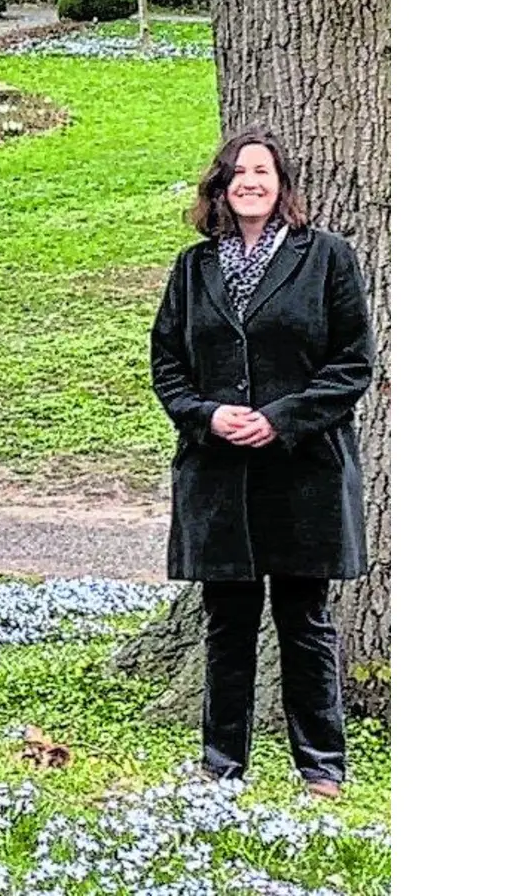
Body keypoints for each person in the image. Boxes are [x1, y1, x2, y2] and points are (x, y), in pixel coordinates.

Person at [149, 128, 375, 799]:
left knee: (305, 623)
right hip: (219, 474)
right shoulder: (193, 269)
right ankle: (221, 766)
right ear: (220, 188)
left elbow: (352, 364)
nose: (249, 183)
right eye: (237, 173)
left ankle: (321, 769)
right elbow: (168, 365)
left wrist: (280, 419)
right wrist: (207, 415)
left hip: (303, 471)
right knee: (228, 624)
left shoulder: (327, 258)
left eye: (262, 172)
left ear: (282, 185)